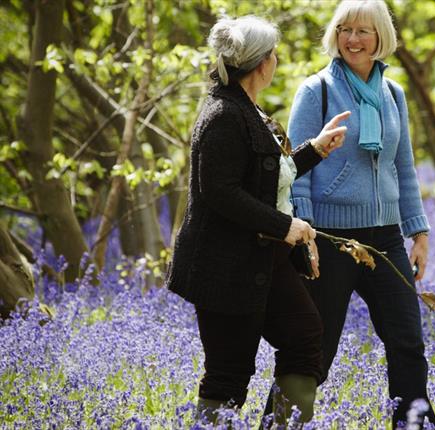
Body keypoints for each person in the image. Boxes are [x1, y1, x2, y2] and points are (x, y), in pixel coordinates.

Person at [165, 15, 351, 426]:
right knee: (228, 376)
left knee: (304, 340)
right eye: (274, 54)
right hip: (224, 268)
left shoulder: (248, 109)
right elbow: (219, 191)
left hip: (265, 262)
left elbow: (266, 176)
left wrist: (314, 151)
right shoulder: (222, 115)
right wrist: (287, 226)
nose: (278, 60)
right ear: (262, 62)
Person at [263, 1, 435, 428]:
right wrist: (304, 233)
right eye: (345, 29)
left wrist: (418, 232)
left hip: (385, 239)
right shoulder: (316, 90)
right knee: (314, 349)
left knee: (407, 343)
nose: (353, 39)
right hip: (329, 239)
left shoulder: (393, 94)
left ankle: (413, 423)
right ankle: (280, 425)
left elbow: (403, 166)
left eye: (363, 30)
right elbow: (295, 169)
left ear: (381, 36)